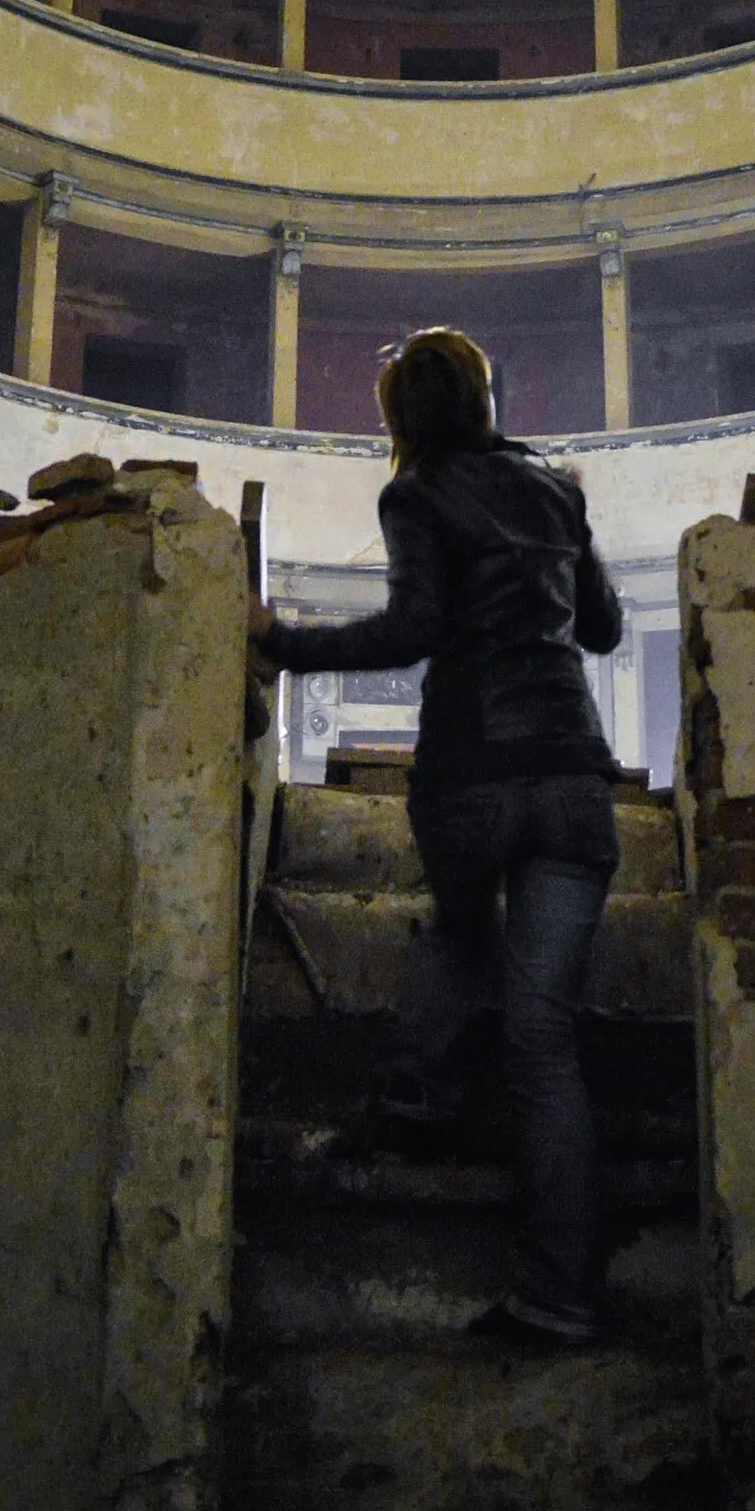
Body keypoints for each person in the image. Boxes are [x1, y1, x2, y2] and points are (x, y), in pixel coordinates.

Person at [249, 327, 625, 1346]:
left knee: (463, 935)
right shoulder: (553, 489)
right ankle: (559, 1295)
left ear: (399, 416)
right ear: (483, 394)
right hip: (572, 779)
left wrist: (281, 641)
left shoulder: (415, 494)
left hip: (474, 775)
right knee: (544, 1047)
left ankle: (413, 1091)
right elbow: (602, 630)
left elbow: (411, 628)